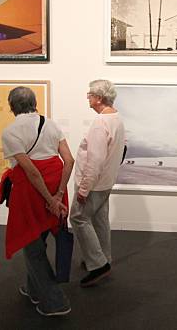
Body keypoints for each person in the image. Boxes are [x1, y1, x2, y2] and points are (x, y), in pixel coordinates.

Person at [1, 86, 74, 316]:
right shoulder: (51, 124)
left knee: (31, 244)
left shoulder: (11, 131)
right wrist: (59, 195)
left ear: (12, 106)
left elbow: (31, 172)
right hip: (55, 185)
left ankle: (56, 302)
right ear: (34, 102)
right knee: (38, 238)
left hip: (33, 191)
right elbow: (69, 160)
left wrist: (49, 199)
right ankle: (34, 290)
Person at [70, 79, 125, 287]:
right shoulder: (117, 118)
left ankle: (98, 264)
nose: (88, 98)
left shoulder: (101, 123)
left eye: (90, 95)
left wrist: (84, 189)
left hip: (94, 184)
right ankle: (105, 258)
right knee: (100, 219)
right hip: (106, 182)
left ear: (99, 98)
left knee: (78, 218)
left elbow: (95, 160)